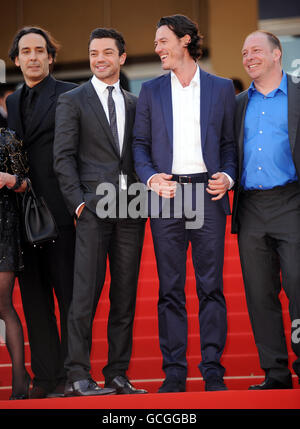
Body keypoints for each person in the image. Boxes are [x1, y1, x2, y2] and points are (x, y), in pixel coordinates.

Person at [133, 14, 236, 392]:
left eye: (163, 41)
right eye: (158, 42)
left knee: (211, 286)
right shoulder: (151, 90)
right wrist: (149, 178)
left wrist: (227, 175)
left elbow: (228, 144)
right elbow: (140, 146)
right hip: (167, 196)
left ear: (185, 40)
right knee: (169, 289)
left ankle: (213, 371)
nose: (157, 48)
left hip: (207, 194)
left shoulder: (222, 88)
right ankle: (174, 373)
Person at [53, 28, 147, 396]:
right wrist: (77, 204)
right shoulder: (73, 100)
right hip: (91, 209)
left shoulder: (136, 102)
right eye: (94, 53)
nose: (100, 59)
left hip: (131, 210)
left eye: (108, 52)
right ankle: (77, 375)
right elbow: (62, 158)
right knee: (85, 296)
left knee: (124, 297)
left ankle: (117, 374)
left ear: (122, 58)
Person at [6, 26, 77, 398]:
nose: (33, 57)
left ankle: (70, 375)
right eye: (25, 52)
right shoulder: (12, 103)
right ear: (16, 60)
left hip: (64, 214)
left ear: (51, 56)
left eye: (40, 50)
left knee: (67, 298)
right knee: (34, 302)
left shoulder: (71, 95)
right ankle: (45, 377)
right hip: (24, 217)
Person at [231, 30, 300, 390]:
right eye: (244, 52)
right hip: (252, 207)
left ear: (277, 54)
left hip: (293, 202)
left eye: (256, 50)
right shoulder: (238, 103)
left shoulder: (299, 95)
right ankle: (275, 372)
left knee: (299, 287)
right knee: (260, 295)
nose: (248, 56)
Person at [0, 128, 29, 399]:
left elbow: (26, 183)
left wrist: (7, 178)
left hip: (3, 230)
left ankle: (20, 378)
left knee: (3, 305)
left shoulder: (6, 137)